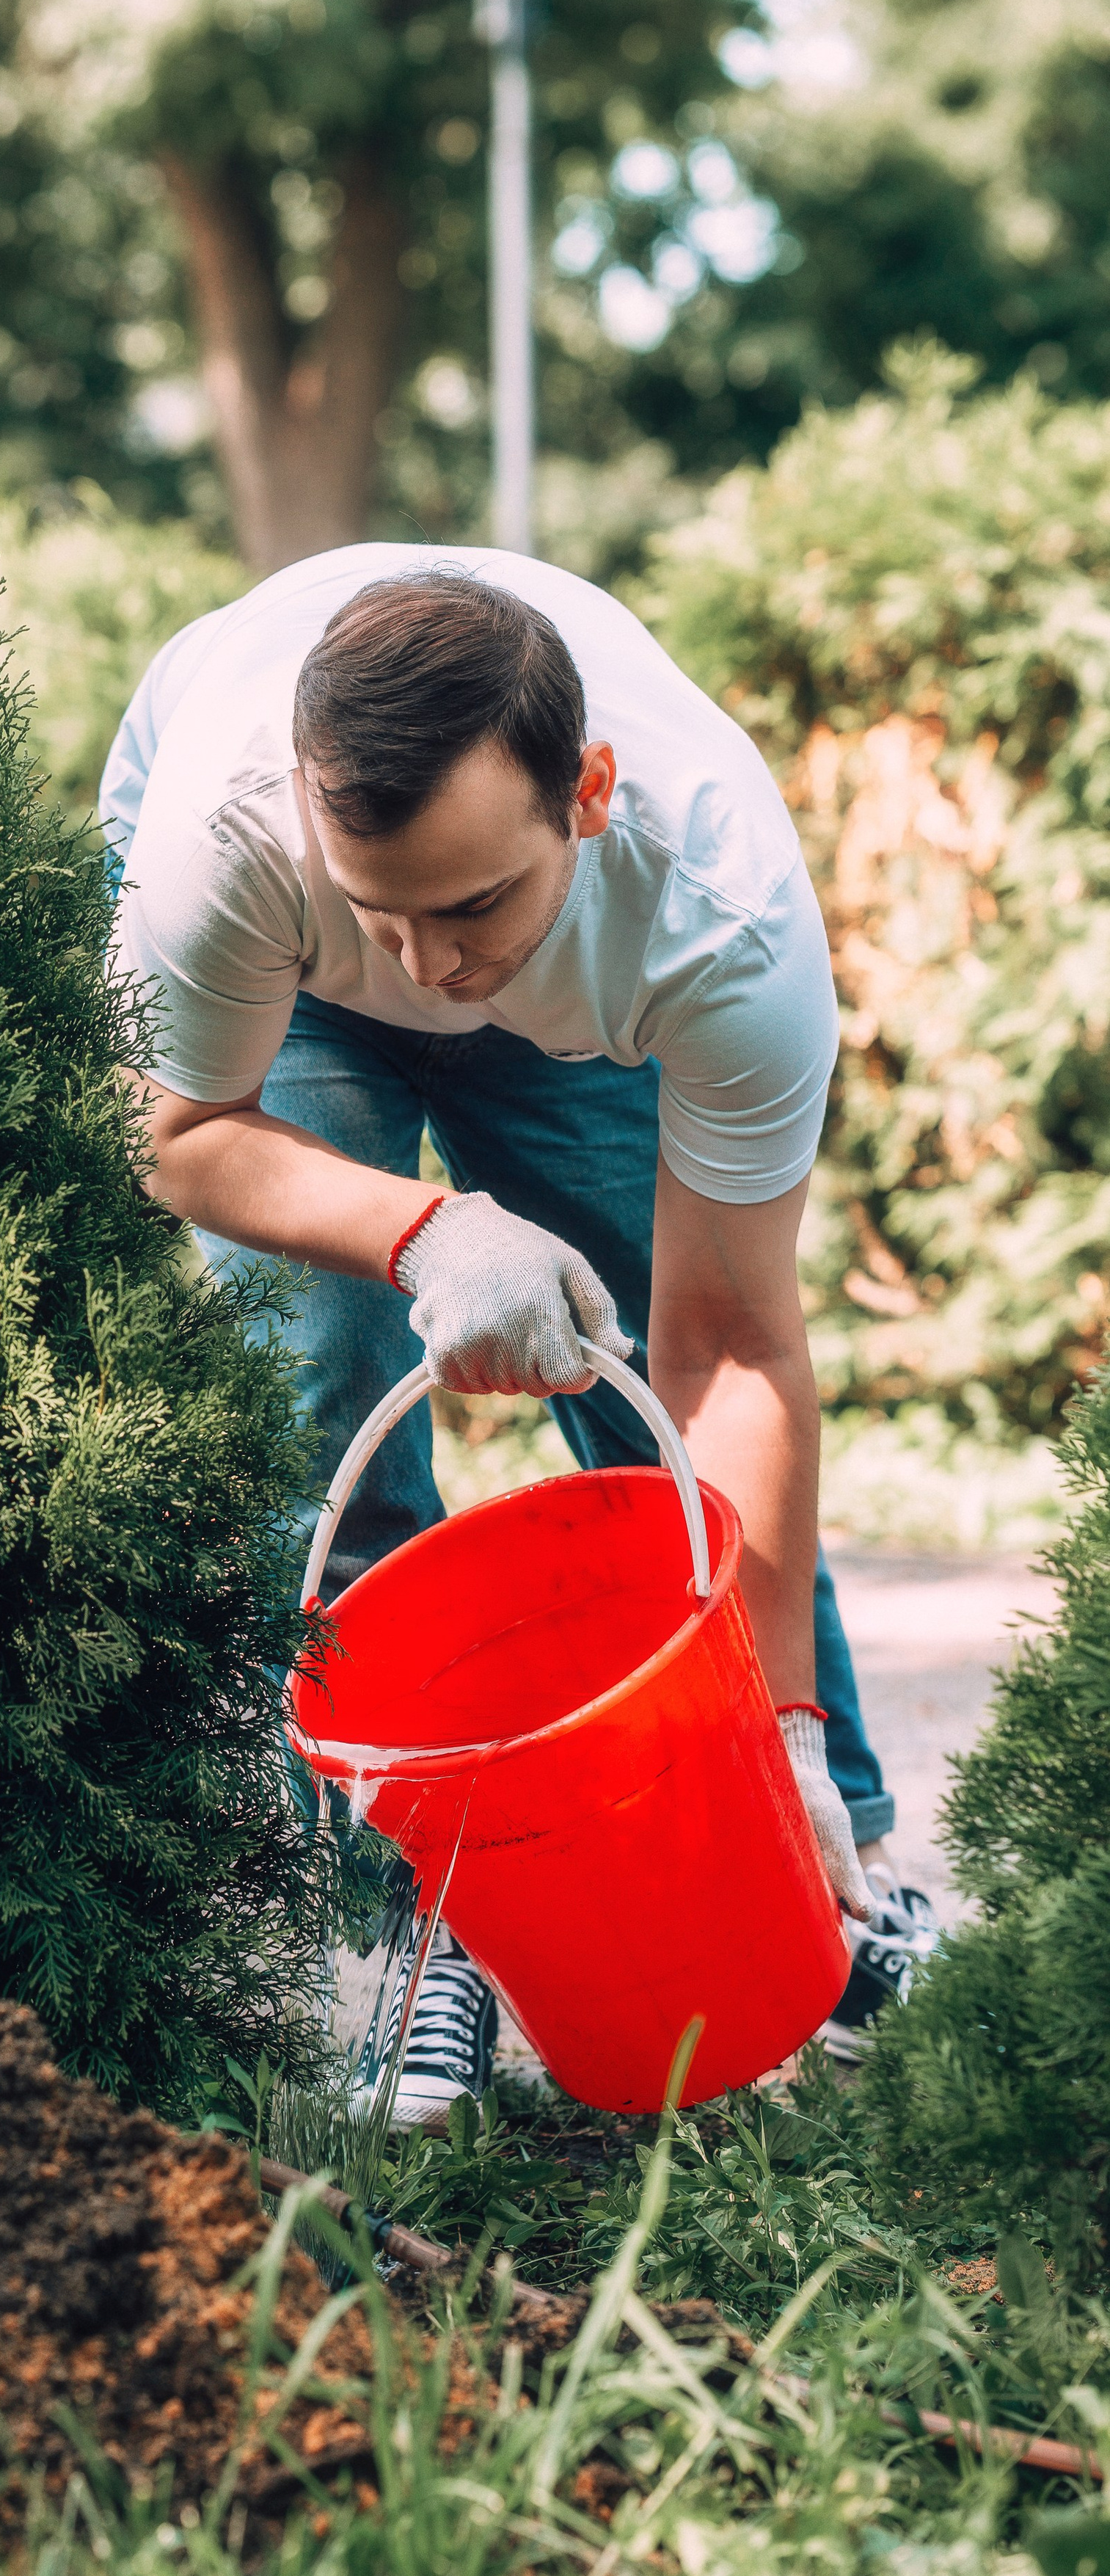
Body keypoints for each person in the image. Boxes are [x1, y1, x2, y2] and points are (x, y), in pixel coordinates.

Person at [100, 545, 937, 2123]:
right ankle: (442, 1923)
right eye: (390, 913)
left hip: (581, 994)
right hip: (288, 993)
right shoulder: (218, 841)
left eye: (470, 901)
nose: (430, 966)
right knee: (317, 1375)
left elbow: (730, 1345)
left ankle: (817, 1847)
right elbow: (175, 1133)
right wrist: (429, 1229)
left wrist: (782, 1725)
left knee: (650, 1402)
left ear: (589, 792)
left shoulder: (719, 920)